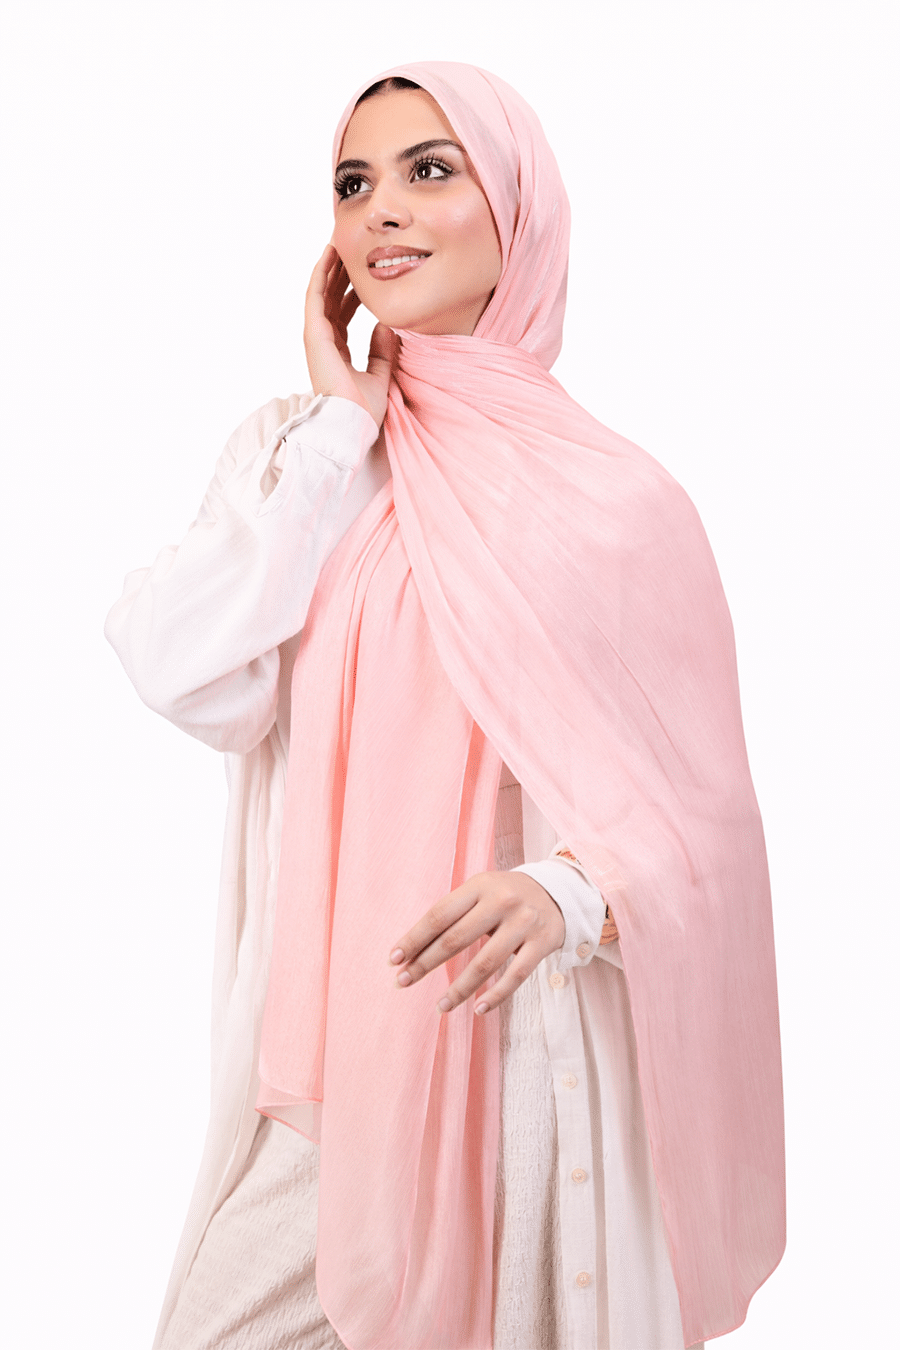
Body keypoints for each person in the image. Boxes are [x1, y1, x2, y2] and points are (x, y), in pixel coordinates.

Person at [106, 62, 785, 1350]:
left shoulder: (623, 503)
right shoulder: (303, 456)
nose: (382, 210)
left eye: (431, 169)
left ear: (517, 205)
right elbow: (179, 667)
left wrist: (572, 892)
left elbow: (709, 820)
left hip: (525, 1032)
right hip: (335, 1048)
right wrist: (336, 427)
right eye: (353, 183)